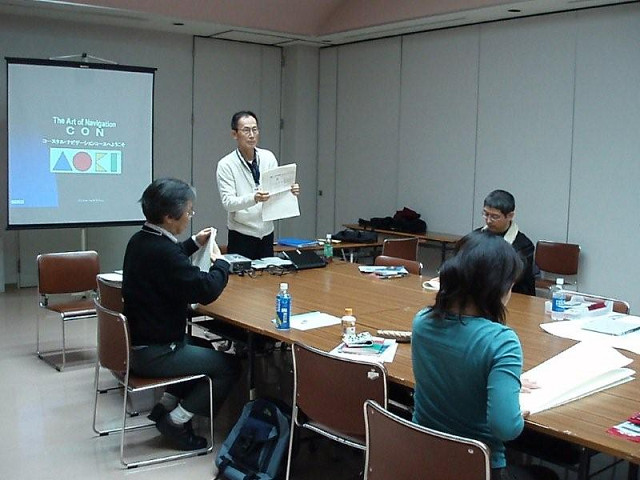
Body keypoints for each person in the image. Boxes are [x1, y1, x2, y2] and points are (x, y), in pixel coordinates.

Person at [411, 231, 557, 480]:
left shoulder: (422, 321)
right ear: (497, 287)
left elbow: (455, 365)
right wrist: (514, 411)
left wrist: (502, 380)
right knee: (546, 476)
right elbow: (506, 428)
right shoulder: (501, 342)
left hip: (424, 456)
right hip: (478, 467)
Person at [122, 178, 241, 451]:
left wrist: (194, 243)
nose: (190, 216)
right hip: (156, 352)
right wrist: (222, 262)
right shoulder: (163, 253)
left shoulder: (140, 240)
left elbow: (170, 258)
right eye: (188, 211)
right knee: (230, 367)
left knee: (204, 347)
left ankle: (165, 406)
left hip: (142, 343)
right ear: (169, 216)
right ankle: (176, 421)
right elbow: (206, 289)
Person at [216, 110, 300, 259]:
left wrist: (289, 191)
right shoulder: (226, 164)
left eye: (255, 129)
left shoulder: (268, 157)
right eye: (246, 130)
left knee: (268, 272)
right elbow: (228, 203)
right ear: (234, 134)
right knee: (242, 273)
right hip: (241, 234)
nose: (251, 135)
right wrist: (254, 198)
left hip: (267, 232)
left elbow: (276, 191)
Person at [480, 190, 536, 296]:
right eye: (486, 214)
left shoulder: (523, 245)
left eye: (495, 216)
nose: (488, 220)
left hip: (516, 296)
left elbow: (511, 277)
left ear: (510, 216)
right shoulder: (477, 236)